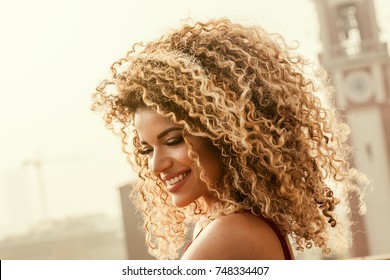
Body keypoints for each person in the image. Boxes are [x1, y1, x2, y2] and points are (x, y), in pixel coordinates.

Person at [92, 18, 366, 260]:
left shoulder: (230, 234)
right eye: (146, 149)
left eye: (173, 140)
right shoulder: (236, 223)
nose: (156, 166)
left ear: (222, 134)